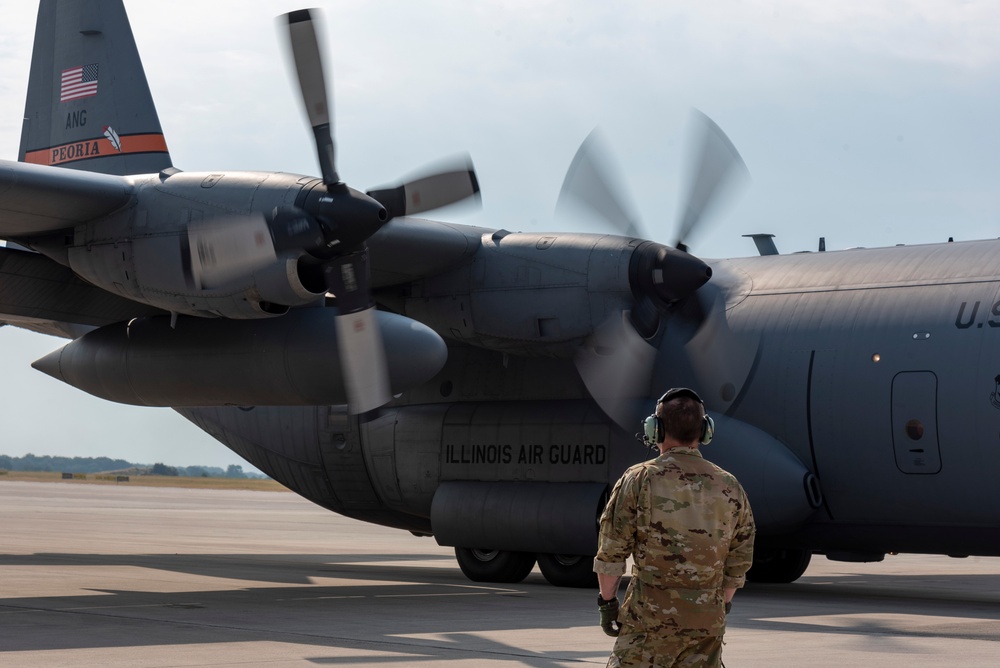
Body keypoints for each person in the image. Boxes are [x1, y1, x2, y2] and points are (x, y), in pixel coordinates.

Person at [593, 387, 755, 667]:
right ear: (705, 431)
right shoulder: (729, 485)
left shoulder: (639, 479)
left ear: (655, 429)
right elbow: (739, 560)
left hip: (649, 625)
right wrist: (720, 604)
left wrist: (608, 604)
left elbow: (611, 552)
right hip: (706, 627)